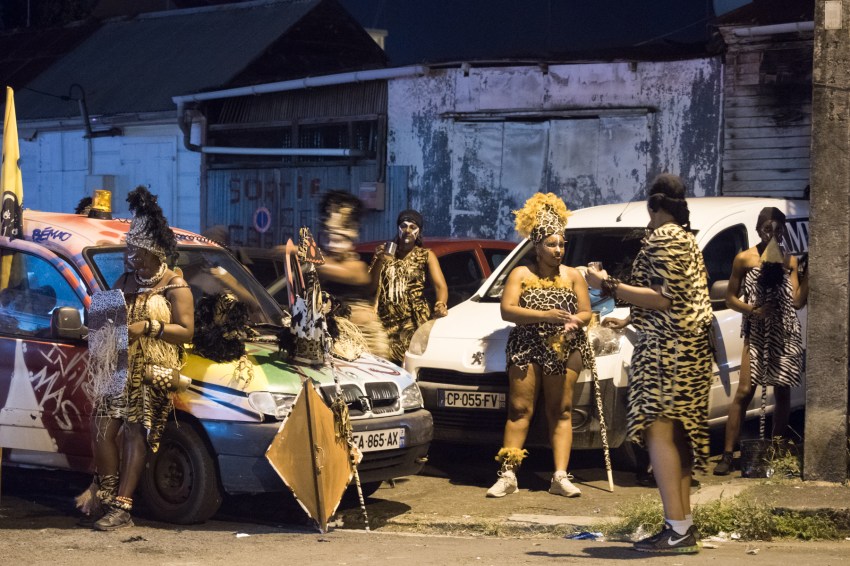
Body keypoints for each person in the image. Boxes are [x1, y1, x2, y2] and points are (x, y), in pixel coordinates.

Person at [586, 173, 711, 554]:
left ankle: (677, 530)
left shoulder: (663, 239)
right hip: (688, 348)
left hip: (668, 352)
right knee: (676, 436)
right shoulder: (686, 239)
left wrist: (606, 284)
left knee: (659, 435)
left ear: (653, 206)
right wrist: (629, 318)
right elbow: (680, 297)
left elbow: (663, 298)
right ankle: (681, 526)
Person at [88, 186, 194, 530]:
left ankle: (123, 506)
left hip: (152, 369)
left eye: (135, 249)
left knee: (137, 431)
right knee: (103, 426)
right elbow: (108, 315)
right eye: (129, 247)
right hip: (120, 366)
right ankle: (104, 495)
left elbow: (186, 331)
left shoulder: (175, 285)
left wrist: (148, 326)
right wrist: (97, 325)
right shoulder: (126, 279)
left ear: (152, 251)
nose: (129, 253)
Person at [487, 192, 595, 499]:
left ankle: (559, 476)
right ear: (537, 245)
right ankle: (508, 474)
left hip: (564, 348)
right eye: (551, 244)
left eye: (562, 244)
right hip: (526, 346)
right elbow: (507, 310)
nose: (558, 250)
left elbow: (586, 312)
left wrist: (577, 321)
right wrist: (543, 315)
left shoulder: (574, 276)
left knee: (561, 410)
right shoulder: (520, 274)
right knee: (520, 409)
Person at [713, 207, 807, 476]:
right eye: (768, 229)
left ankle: (774, 451)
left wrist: (808, 271)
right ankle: (728, 454)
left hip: (785, 331)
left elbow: (797, 300)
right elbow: (730, 297)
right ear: (758, 230)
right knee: (744, 391)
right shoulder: (744, 259)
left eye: (778, 230)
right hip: (756, 332)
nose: (773, 235)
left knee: (782, 392)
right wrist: (752, 310)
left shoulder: (788, 260)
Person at [316, 190, 390, 359]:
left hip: (366, 342)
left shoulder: (357, 267)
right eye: (329, 235)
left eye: (339, 237)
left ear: (352, 234)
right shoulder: (323, 262)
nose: (333, 243)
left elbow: (328, 267)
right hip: (336, 339)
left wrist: (301, 253)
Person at [372, 209, 449, 364]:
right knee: (384, 365)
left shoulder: (425, 255)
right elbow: (371, 285)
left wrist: (440, 303)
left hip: (413, 322)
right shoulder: (384, 252)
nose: (407, 230)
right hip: (385, 321)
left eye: (412, 227)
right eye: (404, 226)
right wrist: (379, 261)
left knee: (408, 365)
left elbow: (441, 286)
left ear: (418, 232)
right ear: (398, 228)